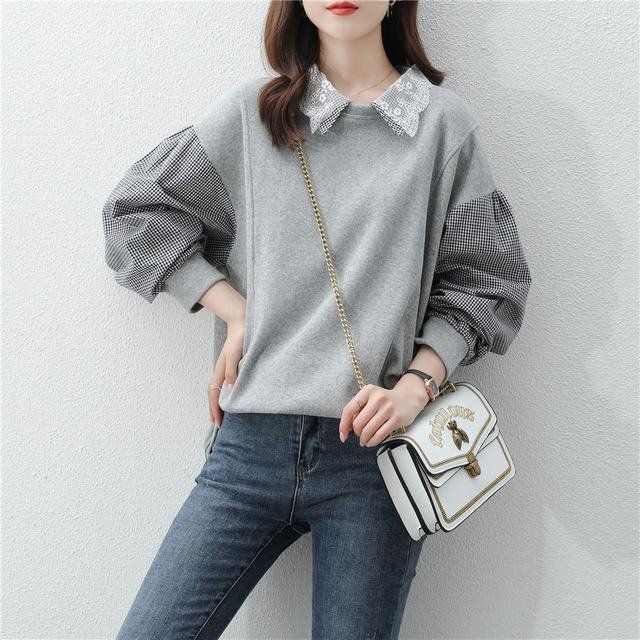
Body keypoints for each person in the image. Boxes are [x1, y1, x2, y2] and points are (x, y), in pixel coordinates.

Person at [102, 1, 533, 638]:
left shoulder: (441, 126)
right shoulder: (254, 116)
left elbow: (489, 278)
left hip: (374, 460)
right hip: (248, 446)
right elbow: (133, 212)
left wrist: (415, 386)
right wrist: (232, 308)